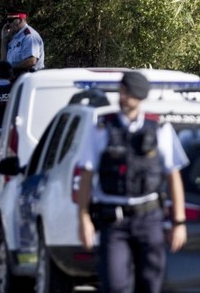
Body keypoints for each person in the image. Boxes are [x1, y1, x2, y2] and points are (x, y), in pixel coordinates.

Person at [76, 71, 188, 293]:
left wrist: (179, 222)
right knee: (116, 285)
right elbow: (86, 175)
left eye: (127, 92)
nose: (122, 96)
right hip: (113, 220)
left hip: (149, 219)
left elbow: (173, 175)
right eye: (122, 90)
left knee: (150, 284)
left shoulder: (160, 130)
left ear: (140, 96)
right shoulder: (100, 129)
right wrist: (83, 218)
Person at [0, 10, 45, 78]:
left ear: (20, 20)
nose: (8, 24)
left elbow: (31, 61)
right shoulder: (15, 36)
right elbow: (4, 61)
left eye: (11, 21)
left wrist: (12, 69)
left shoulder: (29, 36)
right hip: (17, 78)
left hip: (30, 78)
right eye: (7, 21)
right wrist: (4, 40)